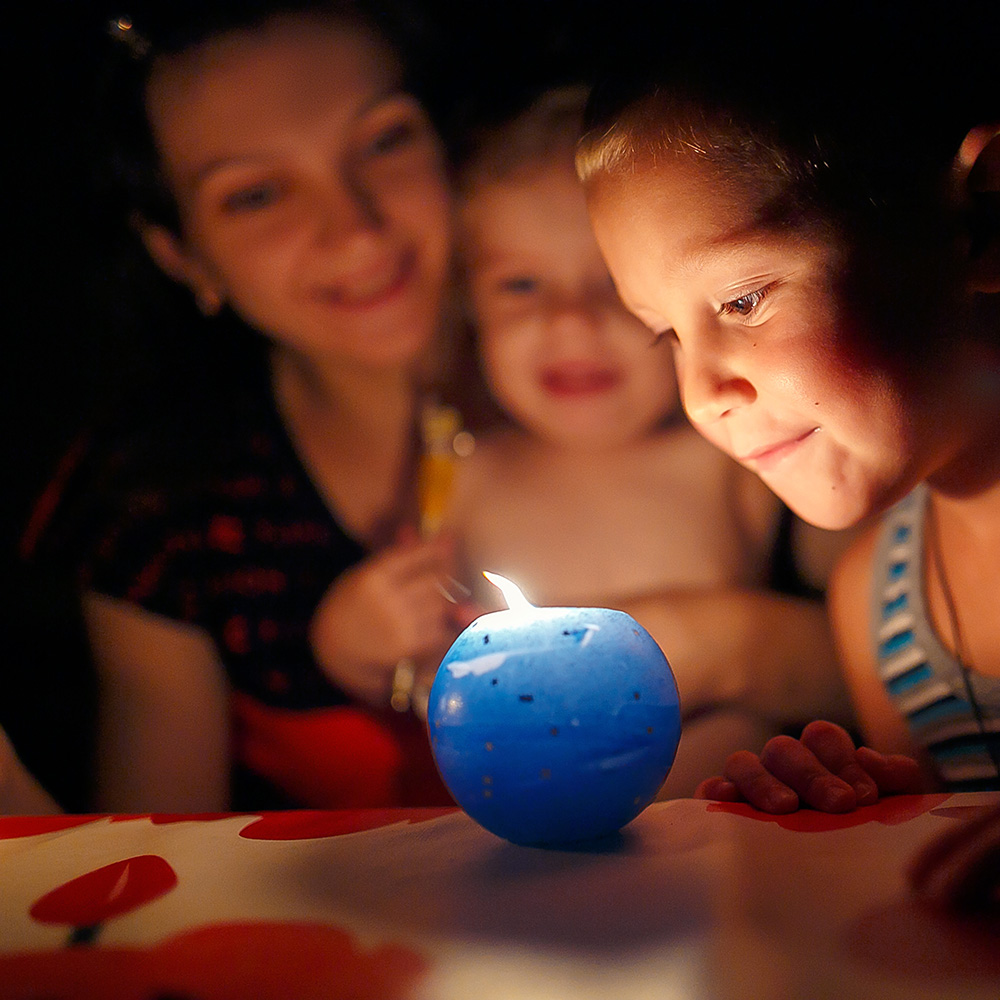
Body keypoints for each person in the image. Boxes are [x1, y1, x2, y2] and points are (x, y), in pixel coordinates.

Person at [575, 8, 1000, 903]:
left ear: (983, 221)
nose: (701, 394)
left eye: (740, 301)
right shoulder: (879, 611)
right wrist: (874, 822)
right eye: (666, 337)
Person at [21, 0, 471, 813]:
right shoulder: (163, 510)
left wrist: (737, 645)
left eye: (384, 140)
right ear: (181, 253)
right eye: (257, 195)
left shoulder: (648, 367)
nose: (355, 230)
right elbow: (154, 871)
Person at [447, 86, 855, 796]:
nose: (571, 321)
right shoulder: (462, 475)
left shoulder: (742, 451)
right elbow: (416, 664)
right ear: (467, 307)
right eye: (519, 285)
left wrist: (726, 647)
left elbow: (870, 648)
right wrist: (352, 637)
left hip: (713, 826)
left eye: (609, 286)